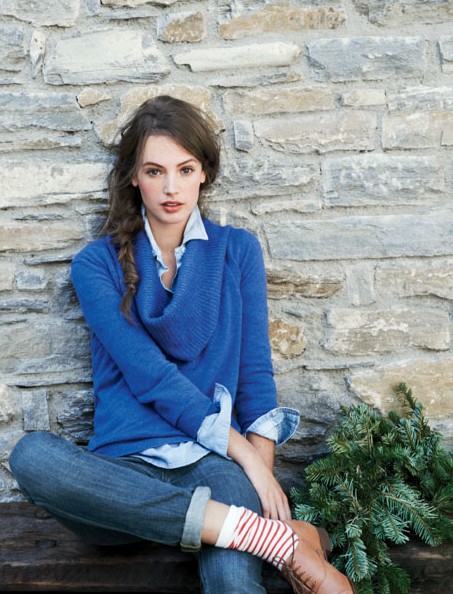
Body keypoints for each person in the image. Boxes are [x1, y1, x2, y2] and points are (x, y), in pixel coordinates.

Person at [9, 95, 355, 594]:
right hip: (120, 479)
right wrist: (242, 454)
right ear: (133, 177)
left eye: (185, 169)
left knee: (232, 581)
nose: (171, 188)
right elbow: (149, 373)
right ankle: (268, 538)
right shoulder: (96, 265)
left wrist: (257, 469)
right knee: (31, 456)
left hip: (213, 467)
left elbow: (255, 377)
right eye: (154, 171)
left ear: (204, 173)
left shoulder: (237, 251)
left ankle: (243, 527)